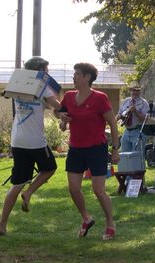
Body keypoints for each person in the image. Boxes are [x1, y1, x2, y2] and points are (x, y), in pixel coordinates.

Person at [0, 56, 62, 236]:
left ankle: (2, 224)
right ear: (39, 69)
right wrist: (63, 108)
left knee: (16, 183)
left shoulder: (17, 85)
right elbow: (58, 106)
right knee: (50, 168)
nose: (47, 73)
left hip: (17, 141)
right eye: (46, 69)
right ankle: (29, 192)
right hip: (35, 141)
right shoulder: (42, 85)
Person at [57, 62, 120, 240]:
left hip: (96, 149)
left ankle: (110, 224)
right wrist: (63, 119)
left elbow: (113, 123)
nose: (74, 77)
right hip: (76, 149)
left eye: (77, 74)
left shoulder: (100, 98)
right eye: (74, 74)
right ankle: (86, 218)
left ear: (87, 77)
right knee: (73, 188)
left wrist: (115, 149)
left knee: (98, 190)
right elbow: (62, 124)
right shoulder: (68, 97)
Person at [116, 81, 150, 157]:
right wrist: (119, 117)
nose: (134, 92)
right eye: (133, 90)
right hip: (127, 131)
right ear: (130, 91)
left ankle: (138, 169)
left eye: (137, 90)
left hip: (138, 131)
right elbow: (119, 114)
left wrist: (136, 112)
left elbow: (145, 120)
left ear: (139, 91)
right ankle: (126, 169)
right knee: (124, 155)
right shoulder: (125, 101)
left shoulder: (144, 103)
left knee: (137, 157)